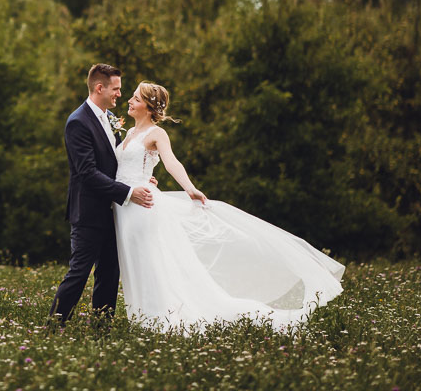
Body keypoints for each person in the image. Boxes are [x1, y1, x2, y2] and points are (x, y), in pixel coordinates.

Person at [113, 81, 345, 331]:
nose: (130, 101)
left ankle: (159, 320)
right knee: (133, 262)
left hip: (143, 206)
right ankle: (142, 319)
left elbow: (171, 163)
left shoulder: (156, 134)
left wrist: (190, 188)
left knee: (149, 262)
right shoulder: (129, 133)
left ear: (149, 107)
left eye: (136, 98)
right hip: (124, 204)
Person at [48, 64, 155, 325]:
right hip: (89, 212)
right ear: (99, 88)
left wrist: (142, 179)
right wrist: (128, 192)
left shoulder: (110, 118)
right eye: (116, 89)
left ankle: (101, 330)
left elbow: (118, 162)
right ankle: (53, 326)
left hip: (114, 211)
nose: (120, 94)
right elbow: (87, 173)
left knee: (108, 274)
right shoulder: (78, 122)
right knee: (79, 273)